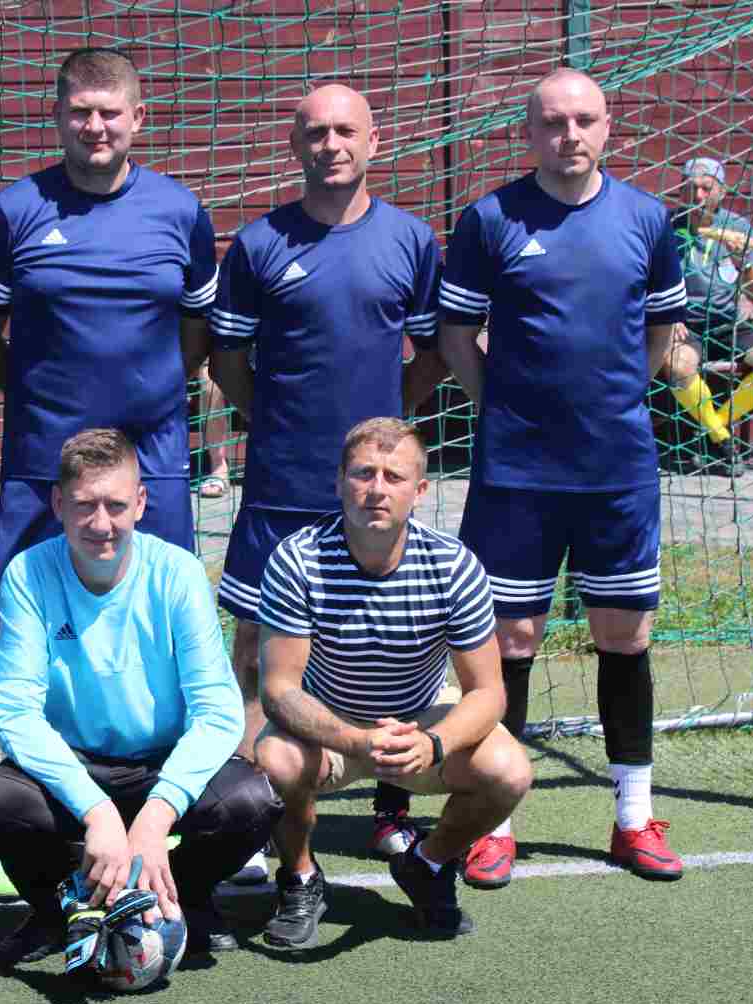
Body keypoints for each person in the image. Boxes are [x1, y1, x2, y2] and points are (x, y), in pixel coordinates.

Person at [438, 68, 687, 888]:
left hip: (617, 470)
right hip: (517, 472)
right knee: (509, 643)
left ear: (608, 127)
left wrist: (613, 402)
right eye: (552, 122)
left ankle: (633, 817)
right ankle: (494, 820)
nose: (568, 135)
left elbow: (661, 330)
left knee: (625, 638)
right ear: (529, 132)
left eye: (583, 120)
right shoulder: (489, 219)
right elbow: (456, 333)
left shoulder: (648, 219)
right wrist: (504, 407)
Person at [209, 84, 450, 880]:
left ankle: (391, 807)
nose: (331, 145)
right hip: (280, 486)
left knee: (388, 640)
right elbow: (228, 361)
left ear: (374, 142)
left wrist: (383, 432)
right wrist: (274, 421)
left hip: (374, 489)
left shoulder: (411, 240)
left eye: (347, 130)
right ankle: (251, 812)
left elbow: (433, 354)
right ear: (295, 145)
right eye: (315, 132)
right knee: (254, 648)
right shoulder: (258, 244)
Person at [0, 428, 282, 970]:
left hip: (162, 760)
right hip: (76, 763)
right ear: (57, 504)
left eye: (116, 505)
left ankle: (180, 898)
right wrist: (95, 810)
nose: (101, 523)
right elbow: (12, 711)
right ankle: (58, 910)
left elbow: (217, 710)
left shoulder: (179, 573)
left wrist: (158, 814)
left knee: (251, 802)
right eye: (84, 505)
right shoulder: (27, 574)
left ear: (140, 503)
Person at [255, 418, 529, 943]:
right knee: (273, 761)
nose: (377, 489)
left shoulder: (454, 566)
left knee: (509, 771)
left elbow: (488, 692)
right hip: (330, 721)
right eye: (363, 473)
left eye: (394, 476)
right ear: (339, 482)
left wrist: (434, 743)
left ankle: (427, 863)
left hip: (420, 720)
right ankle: (300, 877)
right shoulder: (297, 560)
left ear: (420, 490)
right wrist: (356, 740)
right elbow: (280, 690)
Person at [0, 48, 218, 626]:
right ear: (57, 116)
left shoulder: (181, 212)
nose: (95, 127)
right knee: (35, 622)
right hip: (44, 459)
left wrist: (152, 389)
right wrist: (41, 396)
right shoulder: (12, 212)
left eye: (109, 113)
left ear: (138, 117)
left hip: (152, 455)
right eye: (80, 112)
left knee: (160, 619)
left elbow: (199, 330)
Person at [662, 156, 753, 472]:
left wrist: (746, 263)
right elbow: (644, 282)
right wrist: (667, 317)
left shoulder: (737, 227)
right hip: (684, 323)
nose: (698, 196)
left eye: (706, 188)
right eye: (690, 188)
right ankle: (722, 438)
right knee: (677, 364)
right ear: (680, 191)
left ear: (722, 192)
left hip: (728, 322)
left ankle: (713, 429)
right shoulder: (663, 227)